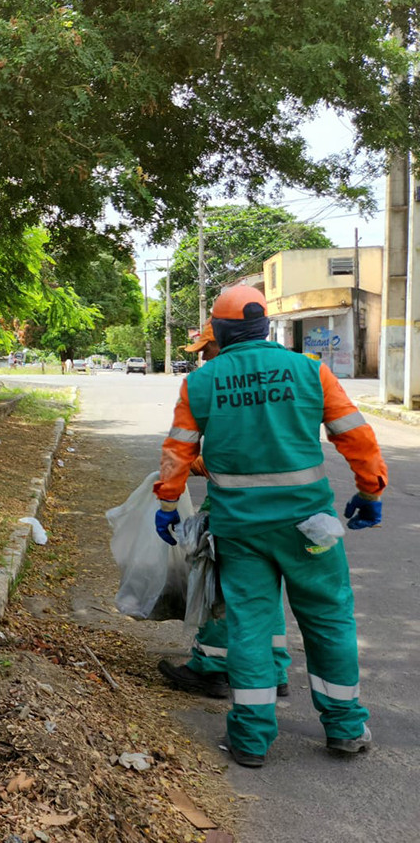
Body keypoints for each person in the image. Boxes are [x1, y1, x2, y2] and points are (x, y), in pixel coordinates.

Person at [154, 285, 387, 768]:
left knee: (250, 628)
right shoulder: (310, 371)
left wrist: (168, 502)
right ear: (265, 327)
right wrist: (370, 491)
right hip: (311, 530)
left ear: (218, 331)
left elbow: (179, 449)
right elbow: (356, 436)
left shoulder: (202, 381)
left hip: (239, 532)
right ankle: (344, 727)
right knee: (328, 622)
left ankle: (251, 739)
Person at [156, 319, 291, 699]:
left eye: (206, 350)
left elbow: (184, 447)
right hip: (289, 503)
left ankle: (211, 666)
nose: (204, 359)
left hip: (235, 505)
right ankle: (274, 667)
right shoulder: (284, 376)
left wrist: (169, 499)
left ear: (225, 341)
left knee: (217, 583)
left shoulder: (214, 380)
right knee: (267, 588)